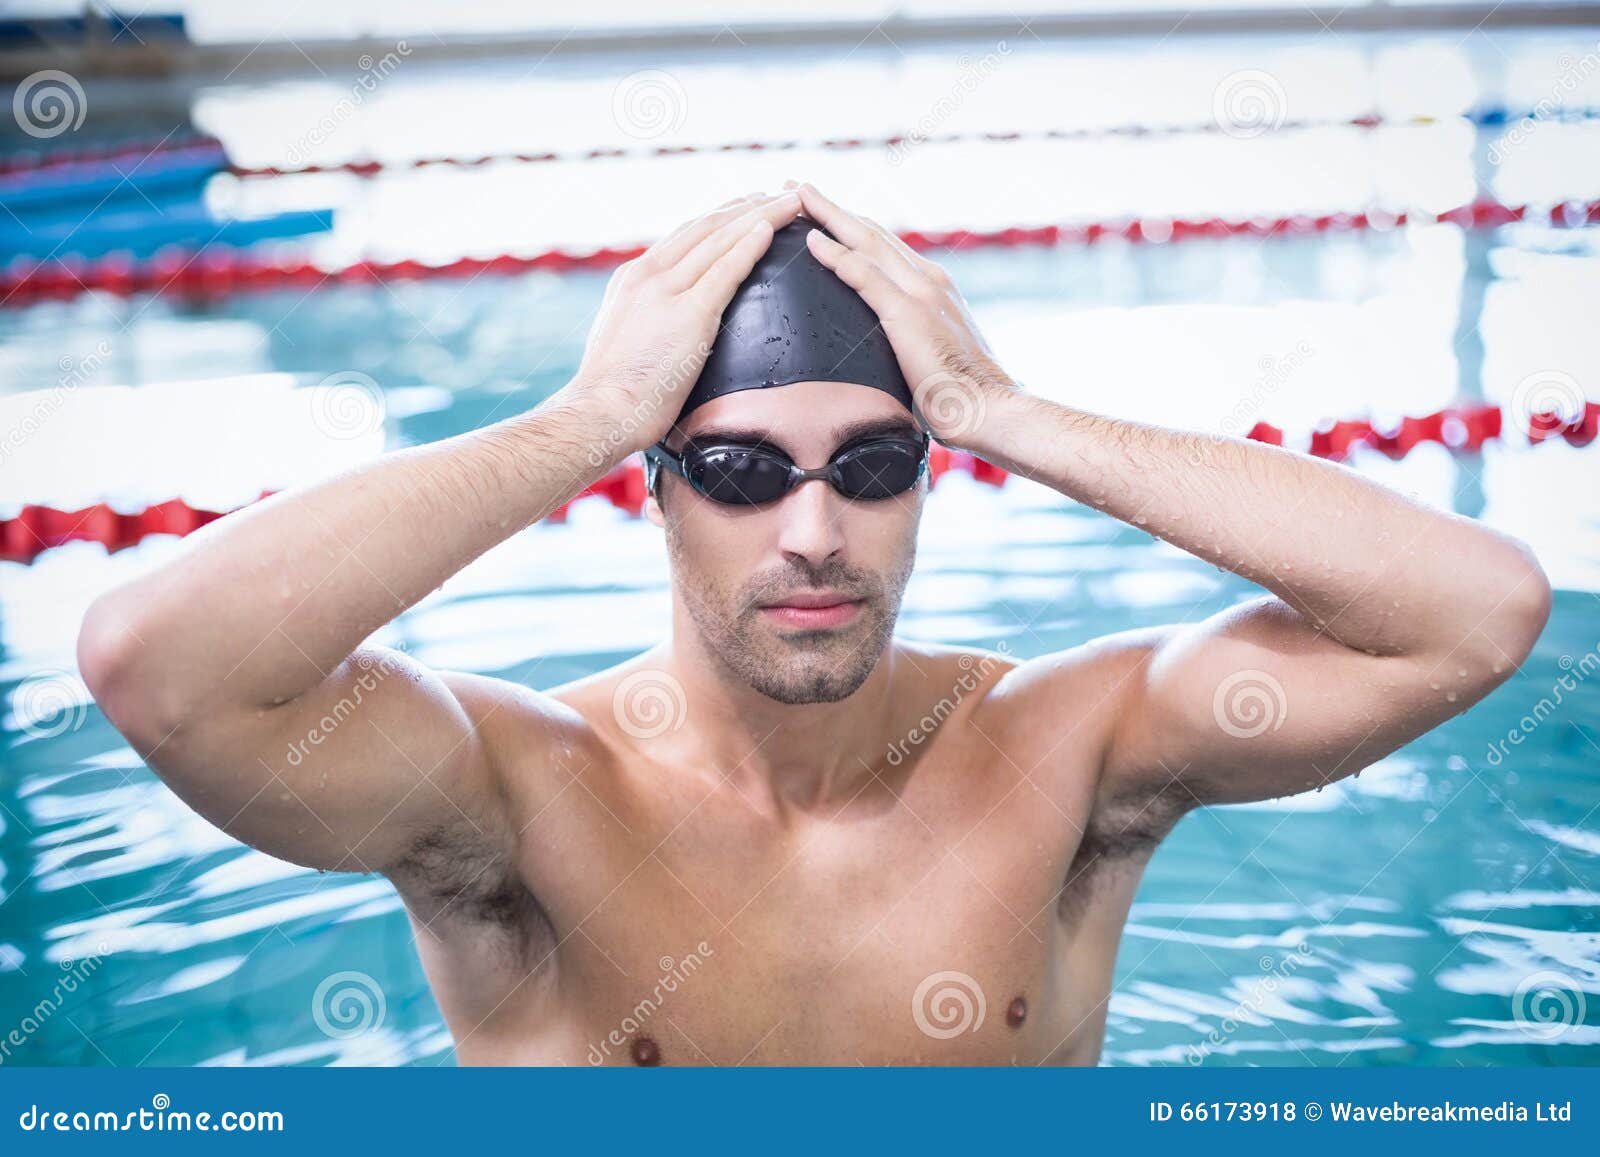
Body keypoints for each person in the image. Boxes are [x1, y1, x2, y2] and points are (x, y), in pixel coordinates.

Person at [77, 185, 1551, 1066]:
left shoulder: (1072, 751)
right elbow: (163, 666)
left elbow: (1473, 614)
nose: (811, 532)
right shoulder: (518, 796)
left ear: (925, 482)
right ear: (651, 493)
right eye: (734, 472)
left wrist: (1002, 411)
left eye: (874, 464)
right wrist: (582, 416)